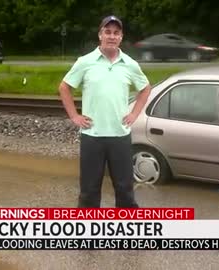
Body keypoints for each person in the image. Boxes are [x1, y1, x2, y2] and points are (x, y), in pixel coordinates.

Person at [58, 15, 152, 208]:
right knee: (89, 191)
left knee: (125, 190)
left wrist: (134, 114)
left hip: (120, 136)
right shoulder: (85, 62)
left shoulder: (130, 64)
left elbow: (145, 88)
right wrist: (74, 116)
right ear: (100, 35)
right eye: (107, 32)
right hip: (92, 136)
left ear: (121, 37)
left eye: (116, 33)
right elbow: (64, 87)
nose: (111, 36)